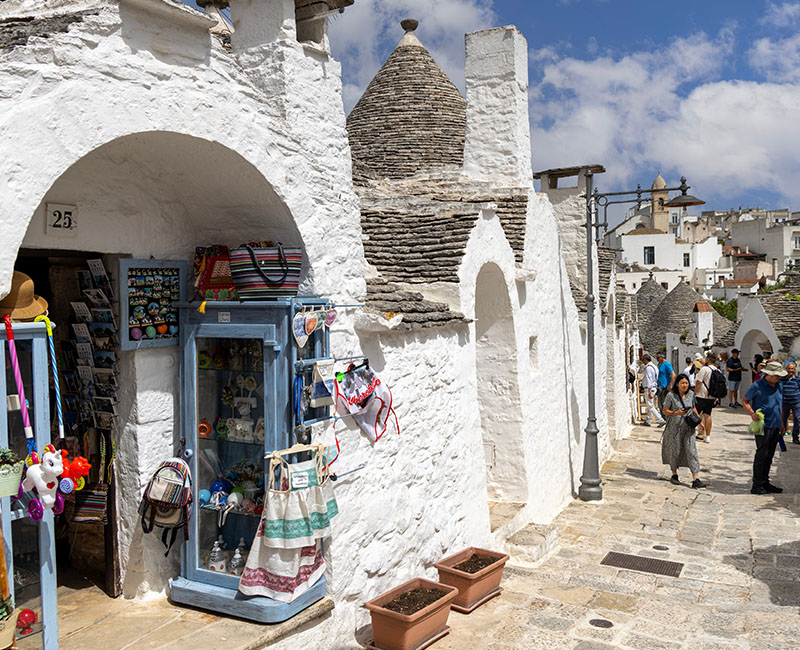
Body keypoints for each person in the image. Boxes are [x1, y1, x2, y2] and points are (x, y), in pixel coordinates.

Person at [743, 360, 787, 494]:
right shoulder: (757, 386)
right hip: (763, 425)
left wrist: (782, 423)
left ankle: (765, 482)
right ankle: (757, 485)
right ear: (769, 374)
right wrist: (752, 413)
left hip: (775, 425)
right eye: (777, 375)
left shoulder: (779, 386)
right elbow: (745, 400)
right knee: (762, 454)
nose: (779, 378)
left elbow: (779, 405)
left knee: (770, 455)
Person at [661, 374, 706, 488]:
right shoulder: (671, 396)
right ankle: (674, 474)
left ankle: (696, 478)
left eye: (686, 383)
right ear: (677, 384)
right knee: (675, 450)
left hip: (689, 427)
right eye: (682, 383)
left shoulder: (691, 394)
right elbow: (665, 410)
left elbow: (693, 407)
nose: (685, 385)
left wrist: (699, 421)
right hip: (674, 428)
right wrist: (676, 413)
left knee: (692, 451)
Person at [694, 351, 719, 443]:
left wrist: (695, 392)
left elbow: (699, 382)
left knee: (695, 412)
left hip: (702, 395)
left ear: (708, 359)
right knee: (708, 415)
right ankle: (707, 436)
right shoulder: (717, 370)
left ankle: (695, 432)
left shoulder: (704, 369)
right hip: (712, 397)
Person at [642, 353, 665, 426]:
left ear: (645, 360)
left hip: (650, 388)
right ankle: (648, 420)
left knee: (650, 406)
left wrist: (649, 391)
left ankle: (660, 419)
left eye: (643, 360)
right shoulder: (654, 366)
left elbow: (649, 379)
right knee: (650, 405)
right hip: (654, 387)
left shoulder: (648, 368)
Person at [781, 361, 800, 445]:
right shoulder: (782, 379)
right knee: (783, 420)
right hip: (785, 402)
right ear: (786, 369)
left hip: (796, 402)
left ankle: (795, 437)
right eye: (789, 368)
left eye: (792, 369)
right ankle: (780, 436)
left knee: (797, 419)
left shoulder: (798, 379)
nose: (790, 370)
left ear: (794, 370)